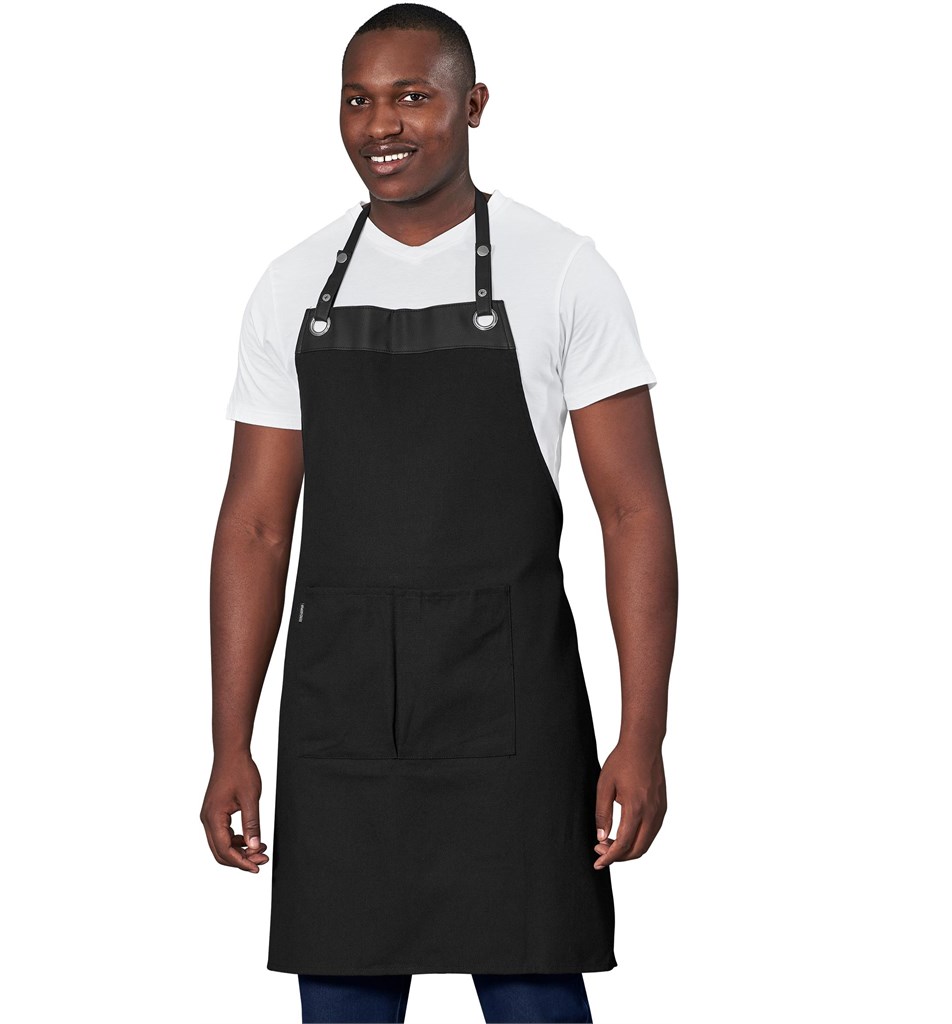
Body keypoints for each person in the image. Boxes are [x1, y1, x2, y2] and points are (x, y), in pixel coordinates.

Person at [202, 4, 676, 1022]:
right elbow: (254, 527)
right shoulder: (291, 286)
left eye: (412, 96)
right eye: (358, 100)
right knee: (342, 1001)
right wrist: (228, 739)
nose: (381, 125)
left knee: (535, 995)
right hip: (340, 717)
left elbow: (633, 513)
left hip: (512, 710)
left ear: (473, 104)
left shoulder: (560, 269)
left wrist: (642, 735)